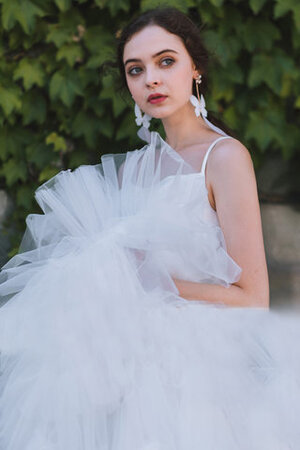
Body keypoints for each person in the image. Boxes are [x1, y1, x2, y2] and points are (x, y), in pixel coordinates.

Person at [0, 7, 299, 450]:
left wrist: (151, 282)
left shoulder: (224, 157)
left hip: (191, 377)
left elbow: (253, 297)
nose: (151, 79)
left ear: (194, 67)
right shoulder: (133, 170)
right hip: (119, 369)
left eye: (166, 61)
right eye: (135, 70)